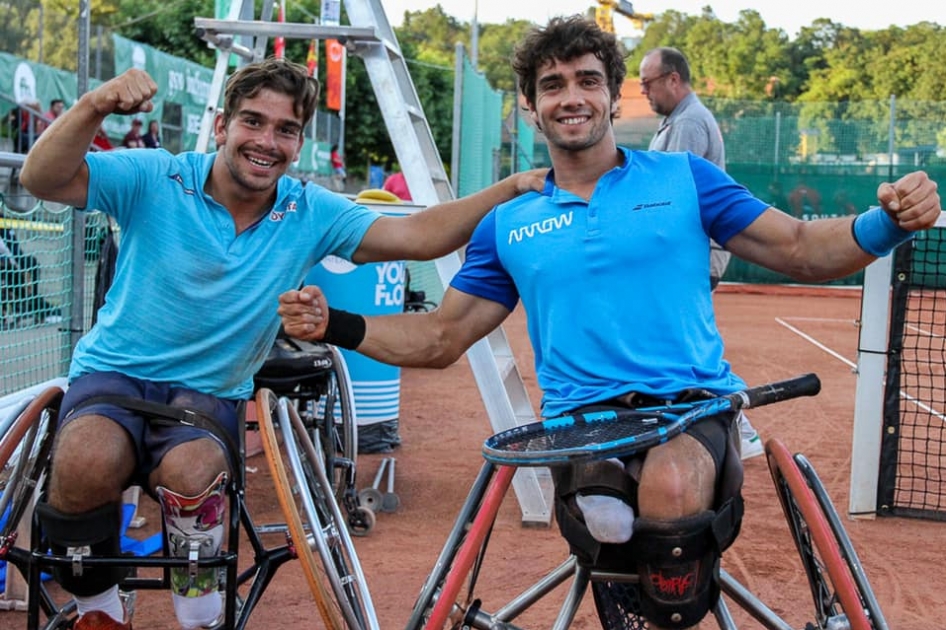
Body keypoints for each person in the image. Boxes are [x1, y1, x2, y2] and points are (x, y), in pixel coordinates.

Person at [279, 16, 940, 630]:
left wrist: (886, 223)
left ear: (612, 95)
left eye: (588, 80)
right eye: (553, 85)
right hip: (582, 425)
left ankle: (659, 600)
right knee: (606, 516)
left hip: (692, 411)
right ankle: (637, 591)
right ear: (532, 107)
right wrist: (332, 324)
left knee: (669, 485)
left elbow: (799, 246)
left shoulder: (687, 179)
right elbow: (441, 337)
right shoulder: (507, 224)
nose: (572, 96)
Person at [19, 56, 545, 630]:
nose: (266, 141)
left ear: (298, 142)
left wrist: (514, 187)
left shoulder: (308, 209)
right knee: (85, 458)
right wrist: (95, 104)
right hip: (114, 374)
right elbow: (41, 179)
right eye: (252, 122)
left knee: (195, 474)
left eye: (285, 129)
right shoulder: (156, 176)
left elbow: (417, 236)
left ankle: (199, 613)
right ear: (222, 126)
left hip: (206, 391)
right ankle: (99, 610)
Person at [640, 45, 764, 460]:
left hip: (690, 257)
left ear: (673, 79)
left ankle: (739, 422)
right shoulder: (676, 120)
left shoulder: (689, 122)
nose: (644, 92)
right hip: (683, 256)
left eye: (648, 83)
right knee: (671, 340)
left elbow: (666, 199)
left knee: (679, 342)